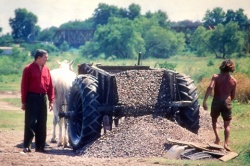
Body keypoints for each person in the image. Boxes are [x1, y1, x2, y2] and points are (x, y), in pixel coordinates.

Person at [21, 49, 54, 153]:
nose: (46, 60)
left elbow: (50, 87)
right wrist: (23, 101)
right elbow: (24, 86)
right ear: (38, 58)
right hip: (32, 97)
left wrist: (51, 101)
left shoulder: (47, 70)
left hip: (43, 97)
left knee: (42, 122)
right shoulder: (28, 69)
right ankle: (27, 145)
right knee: (30, 122)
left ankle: (40, 146)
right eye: (45, 58)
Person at [203, 59, 236, 151]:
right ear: (231, 68)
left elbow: (210, 87)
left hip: (216, 101)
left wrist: (205, 101)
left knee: (214, 121)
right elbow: (233, 96)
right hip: (227, 102)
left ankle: (217, 139)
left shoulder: (216, 77)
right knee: (227, 125)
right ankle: (226, 143)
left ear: (222, 67)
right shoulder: (233, 81)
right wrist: (227, 100)